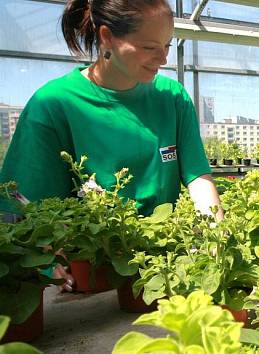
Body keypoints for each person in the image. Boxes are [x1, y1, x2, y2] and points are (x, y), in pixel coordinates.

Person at [0, 0, 222, 290]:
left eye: (167, 45)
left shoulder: (173, 98)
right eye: (148, 47)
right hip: (89, 278)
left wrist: (216, 239)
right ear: (107, 37)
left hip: (162, 270)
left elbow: (198, 177)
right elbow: (24, 206)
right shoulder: (54, 104)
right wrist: (47, 265)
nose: (163, 59)